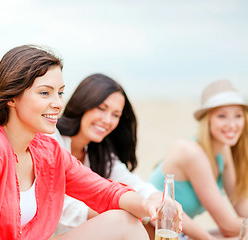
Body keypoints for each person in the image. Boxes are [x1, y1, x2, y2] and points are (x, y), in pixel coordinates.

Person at [0, 45, 165, 240]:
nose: (58, 104)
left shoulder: (47, 151)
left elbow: (103, 192)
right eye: (45, 93)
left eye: (60, 93)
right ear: (12, 98)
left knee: (124, 222)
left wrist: (148, 205)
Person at [50, 74, 207, 240]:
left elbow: (136, 185)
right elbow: (62, 207)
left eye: (116, 115)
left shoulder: (100, 153)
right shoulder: (52, 139)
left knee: (154, 215)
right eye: (102, 109)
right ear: (83, 104)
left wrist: (155, 201)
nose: (107, 120)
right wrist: (131, 207)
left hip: (86, 233)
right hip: (49, 235)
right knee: (130, 218)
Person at [149, 79, 248, 239]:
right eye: (222, 116)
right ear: (207, 120)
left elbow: (242, 208)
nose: (232, 124)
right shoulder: (192, 153)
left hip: (184, 233)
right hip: (161, 234)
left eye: (238, 116)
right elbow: (228, 226)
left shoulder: (223, 148)